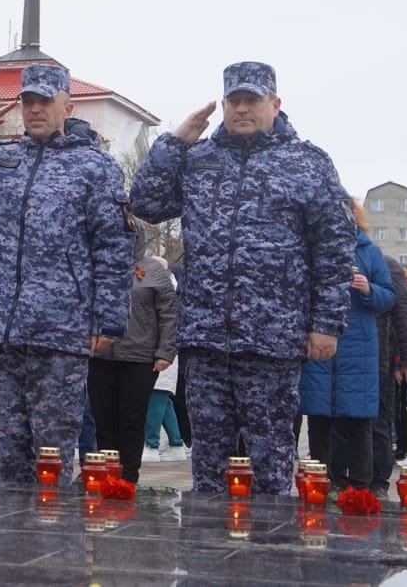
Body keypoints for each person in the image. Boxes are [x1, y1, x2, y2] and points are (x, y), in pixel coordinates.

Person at [130, 61, 355, 495]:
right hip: (207, 339)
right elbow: (145, 202)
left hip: (272, 338)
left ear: (276, 103)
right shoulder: (199, 160)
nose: (243, 108)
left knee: (271, 462)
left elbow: (334, 247)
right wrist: (174, 143)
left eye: (253, 99)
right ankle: (208, 553)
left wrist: (326, 324)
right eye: (234, 100)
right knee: (208, 465)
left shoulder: (306, 162)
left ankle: (272, 555)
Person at [0, 64, 133, 484]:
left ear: (67, 105)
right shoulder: (1, 159)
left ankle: (55, 542)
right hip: (0, 326)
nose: (35, 109)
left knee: (53, 451)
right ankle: (12, 539)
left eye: (44, 101)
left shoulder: (95, 167)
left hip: (59, 327)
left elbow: (113, 247)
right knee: (9, 445)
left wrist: (109, 319)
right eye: (28, 101)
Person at [300, 202, 395, 493]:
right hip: (320, 345)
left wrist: (368, 289)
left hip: (358, 348)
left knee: (358, 421)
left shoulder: (369, 252)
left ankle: (362, 486)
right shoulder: (310, 246)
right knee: (320, 419)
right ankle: (322, 484)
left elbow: (389, 297)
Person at [90, 241, 178, 485]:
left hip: (140, 357)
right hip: (101, 355)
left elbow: (169, 314)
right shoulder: (98, 264)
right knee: (103, 418)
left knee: (131, 418)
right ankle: (106, 473)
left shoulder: (154, 270)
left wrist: (165, 352)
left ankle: (128, 476)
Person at [371, 256, 407, 494]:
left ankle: (379, 480)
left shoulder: (385, 263)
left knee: (380, 419)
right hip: (342, 356)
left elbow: (404, 312)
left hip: (380, 355)